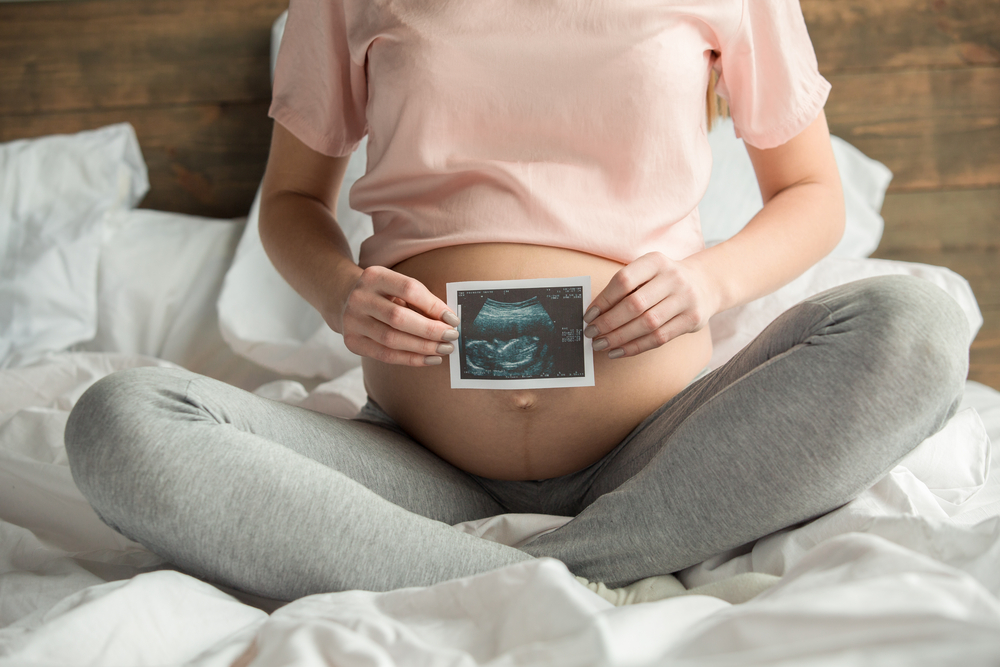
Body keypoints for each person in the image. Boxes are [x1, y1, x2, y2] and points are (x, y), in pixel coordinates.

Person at [65, 0, 970, 603]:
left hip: (655, 450)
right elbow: (292, 203)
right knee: (121, 418)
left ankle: (534, 572)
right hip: (418, 469)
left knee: (919, 327)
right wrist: (342, 291)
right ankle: (564, 577)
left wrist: (706, 283)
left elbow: (812, 192)